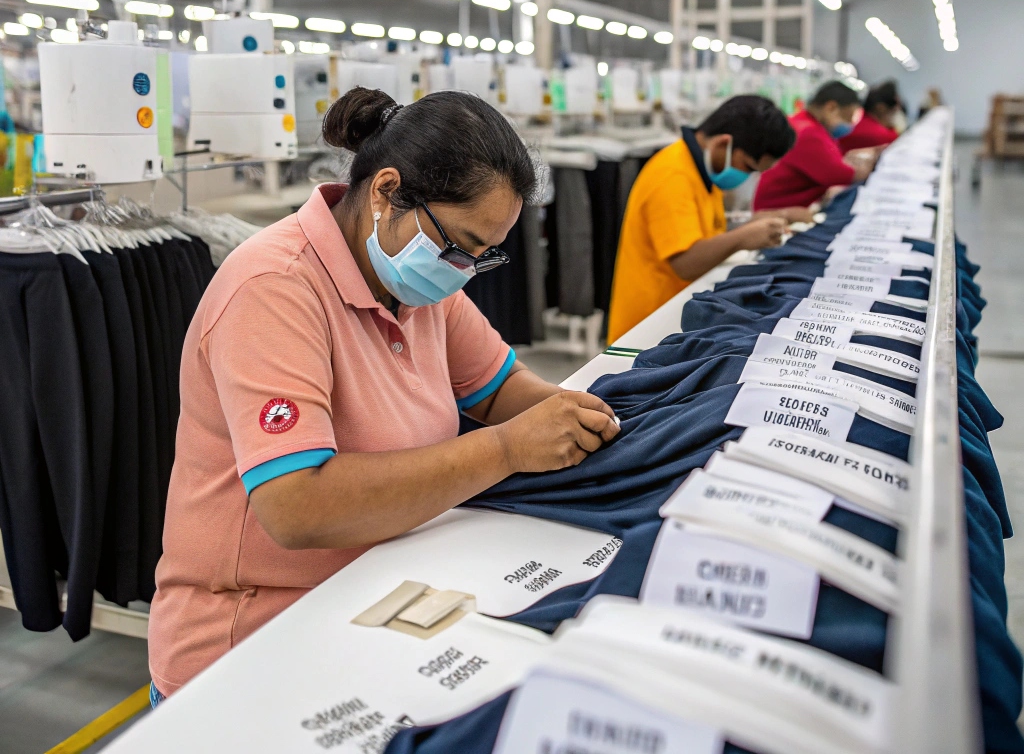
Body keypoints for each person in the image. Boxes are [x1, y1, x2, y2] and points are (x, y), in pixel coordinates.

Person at [147, 88, 620, 700]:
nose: (462, 269)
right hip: (252, 651)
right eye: (457, 246)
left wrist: (603, 422)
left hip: (372, 606)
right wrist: (505, 451)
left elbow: (503, 388)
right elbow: (296, 506)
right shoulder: (274, 289)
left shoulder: (422, 286)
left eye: (482, 256)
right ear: (386, 191)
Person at [606, 95, 807, 343]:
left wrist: (753, 221)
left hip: (677, 315)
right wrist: (742, 238)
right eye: (748, 167)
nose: (748, 177)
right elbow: (685, 263)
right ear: (724, 143)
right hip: (648, 330)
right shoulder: (673, 176)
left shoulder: (698, 169)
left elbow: (705, 229)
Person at [754, 80, 878, 212]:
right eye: (848, 117)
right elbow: (841, 175)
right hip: (777, 213)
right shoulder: (808, 133)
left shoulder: (805, 123)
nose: (849, 124)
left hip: (780, 209)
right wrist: (873, 163)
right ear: (831, 108)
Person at [836, 80, 901, 154]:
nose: (895, 115)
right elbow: (894, 141)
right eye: (894, 111)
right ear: (880, 108)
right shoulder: (881, 135)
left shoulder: (857, 119)